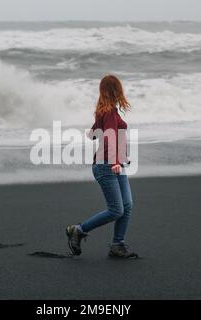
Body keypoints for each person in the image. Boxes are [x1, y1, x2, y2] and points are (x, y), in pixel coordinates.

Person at [66, 75, 138, 259]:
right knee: (116, 209)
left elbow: (94, 134)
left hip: (114, 163)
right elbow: (109, 137)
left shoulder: (104, 111)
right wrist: (114, 160)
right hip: (107, 165)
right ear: (116, 90)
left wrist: (120, 156)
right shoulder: (109, 112)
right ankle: (78, 230)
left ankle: (117, 244)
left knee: (127, 206)